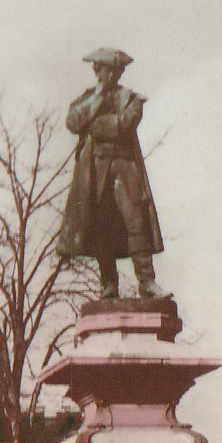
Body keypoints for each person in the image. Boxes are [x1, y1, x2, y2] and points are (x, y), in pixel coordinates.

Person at [57, 48, 171, 300]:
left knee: (136, 222)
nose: (98, 73)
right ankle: (108, 285)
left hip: (123, 167)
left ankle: (147, 283)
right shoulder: (86, 100)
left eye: (104, 69)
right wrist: (97, 101)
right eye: (97, 69)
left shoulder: (131, 99)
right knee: (100, 226)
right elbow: (73, 123)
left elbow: (125, 125)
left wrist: (96, 126)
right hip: (94, 172)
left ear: (115, 72)